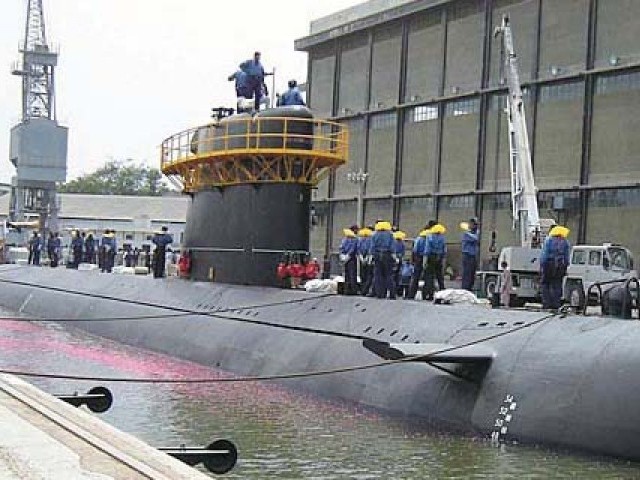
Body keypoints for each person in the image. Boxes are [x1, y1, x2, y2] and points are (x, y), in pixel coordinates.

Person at [540, 225, 571, 310]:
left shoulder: (548, 240)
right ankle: (556, 304)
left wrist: (542, 266)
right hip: (560, 266)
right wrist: (565, 266)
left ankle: (546, 303)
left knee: (545, 284)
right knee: (557, 284)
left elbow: (544, 255)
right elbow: (567, 257)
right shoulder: (565, 242)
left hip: (549, 265)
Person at [371, 221, 395, 299]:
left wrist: (371, 256)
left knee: (378, 275)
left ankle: (380, 294)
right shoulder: (390, 235)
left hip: (377, 254)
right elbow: (392, 247)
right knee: (389, 275)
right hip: (387, 254)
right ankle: (392, 293)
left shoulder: (374, 234)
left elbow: (372, 247)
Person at [423, 223, 447, 301]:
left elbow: (427, 250)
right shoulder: (443, 238)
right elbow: (444, 250)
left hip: (431, 257)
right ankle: (443, 294)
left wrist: (425, 261)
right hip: (439, 257)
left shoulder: (429, 237)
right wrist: (443, 261)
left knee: (430, 277)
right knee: (440, 277)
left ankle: (430, 294)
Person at [461, 218, 480, 292]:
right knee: (467, 273)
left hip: (473, 256)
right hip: (467, 255)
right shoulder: (467, 234)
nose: (475, 226)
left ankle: (469, 288)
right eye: (474, 224)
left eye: (476, 225)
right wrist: (478, 233)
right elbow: (475, 239)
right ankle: (465, 289)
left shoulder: (474, 233)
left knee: (472, 273)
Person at [339, 226, 359, 295]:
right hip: (352, 259)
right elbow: (353, 249)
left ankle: (346, 290)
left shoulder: (345, 239)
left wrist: (343, 256)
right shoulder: (355, 239)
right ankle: (353, 290)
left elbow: (341, 248)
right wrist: (349, 256)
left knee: (347, 275)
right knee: (352, 274)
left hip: (345, 259)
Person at [357, 227, 374, 296]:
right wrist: (367, 258)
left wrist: (362, 258)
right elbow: (370, 250)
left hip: (362, 258)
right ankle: (365, 290)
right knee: (368, 275)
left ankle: (363, 290)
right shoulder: (371, 240)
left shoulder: (360, 240)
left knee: (363, 275)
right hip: (368, 259)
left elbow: (359, 249)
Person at [392, 231, 406, 296]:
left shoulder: (393, 243)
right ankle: (398, 291)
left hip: (394, 260)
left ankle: (393, 290)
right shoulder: (402, 244)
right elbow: (403, 253)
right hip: (400, 260)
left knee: (393, 275)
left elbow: (393, 252)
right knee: (398, 276)